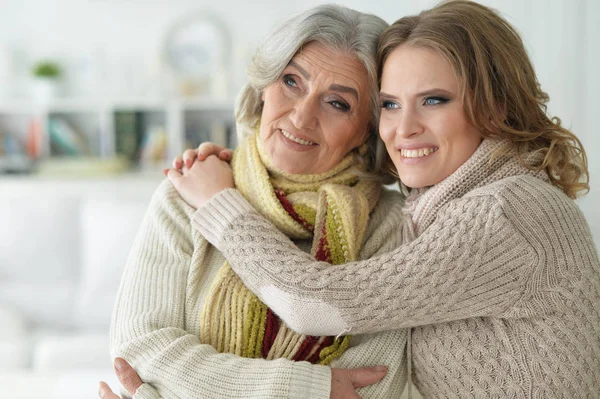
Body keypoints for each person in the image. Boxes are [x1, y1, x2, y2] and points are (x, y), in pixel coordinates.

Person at [169, 0, 600, 397]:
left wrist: (220, 205)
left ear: (494, 107)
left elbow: (315, 303)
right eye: (391, 105)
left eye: (433, 100)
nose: (403, 128)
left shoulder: (506, 211)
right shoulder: (436, 209)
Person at [106, 4, 411, 399]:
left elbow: (372, 389)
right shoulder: (185, 192)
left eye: (338, 103)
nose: (301, 117)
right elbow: (140, 353)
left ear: (367, 130)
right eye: (291, 81)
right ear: (263, 86)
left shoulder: (391, 224)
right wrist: (310, 387)